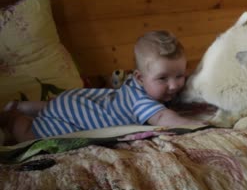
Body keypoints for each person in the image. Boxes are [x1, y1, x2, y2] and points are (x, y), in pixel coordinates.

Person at [0, 31, 206, 144]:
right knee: (29, 136)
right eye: (163, 78)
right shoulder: (142, 101)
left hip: (77, 100)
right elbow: (163, 118)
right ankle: (14, 117)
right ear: (140, 78)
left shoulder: (136, 86)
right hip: (73, 114)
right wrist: (199, 126)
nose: (174, 85)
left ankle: (28, 107)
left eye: (180, 75)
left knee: (52, 107)